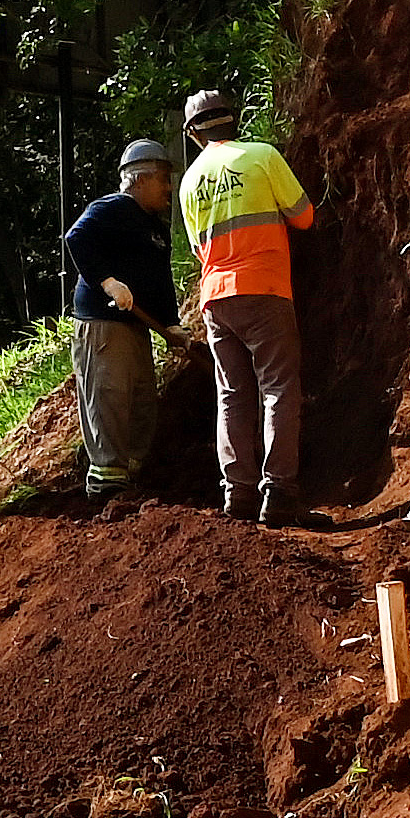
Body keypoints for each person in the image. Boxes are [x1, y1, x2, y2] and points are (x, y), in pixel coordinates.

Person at [173, 85, 318, 523]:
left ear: (193, 133)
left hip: (216, 298)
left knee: (232, 394)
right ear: (234, 120)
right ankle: (279, 494)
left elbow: (200, 248)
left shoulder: (189, 181)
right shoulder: (261, 156)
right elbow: (304, 216)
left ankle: (238, 495)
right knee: (277, 388)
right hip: (265, 290)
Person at [59, 143, 182, 499]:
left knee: (142, 403)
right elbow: (76, 237)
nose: (168, 187)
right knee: (109, 399)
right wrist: (107, 282)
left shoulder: (154, 228)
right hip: (104, 325)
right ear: (140, 179)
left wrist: (171, 324)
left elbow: (160, 281)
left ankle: (129, 480)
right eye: (162, 179)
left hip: (136, 327)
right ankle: (106, 489)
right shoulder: (112, 208)